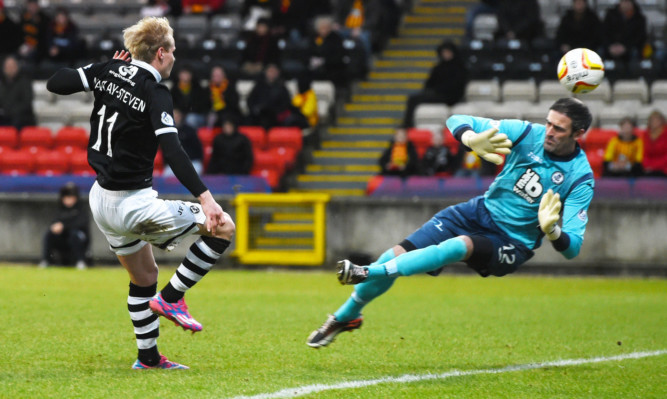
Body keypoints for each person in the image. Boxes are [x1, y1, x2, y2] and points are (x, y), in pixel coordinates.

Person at [307, 98, 595, 348]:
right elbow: (456, 119)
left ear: (579, 133)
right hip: (477, 212)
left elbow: (572, 248)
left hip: (512, 242)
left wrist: (552, 230)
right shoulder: (527, 133)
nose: (549, 132)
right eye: (548, 123)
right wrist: (470, 138)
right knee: (392, 256)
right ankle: (346, 317)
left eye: (558, 128)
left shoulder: (580, 177)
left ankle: (367, 271)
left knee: (460, 246)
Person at [46, 17, 235, 370]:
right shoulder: (155, 89)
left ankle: (148, 359)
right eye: (173, 51)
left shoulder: (108, 69)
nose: (176, 57)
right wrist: (205, 198)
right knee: (224, 228)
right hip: (133, 203)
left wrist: (107, 69)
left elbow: (56, 82)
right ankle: (173, 299)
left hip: (100, 199)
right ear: (160, 53)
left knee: (144, 276)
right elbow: (174, 150)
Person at [401, 40, 467, 128]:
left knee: (414, 99)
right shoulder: (438, 67)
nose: (446, 54)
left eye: (448, 52)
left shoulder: (460, 67)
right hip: (438, 94)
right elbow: (429, 84)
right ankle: (408, 124)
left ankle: (406, 125)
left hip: (451, 97)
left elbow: (458, 86)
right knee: (413, 99)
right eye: (444, 52)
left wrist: (438, 90)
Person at [39, 183, 90, 270]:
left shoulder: (81, 209)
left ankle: (80, 261)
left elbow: (82, 224)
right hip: (63, 239)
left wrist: (64, 226)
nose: (68, 200)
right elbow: (55, 223)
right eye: (66, 198)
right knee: (49, 234)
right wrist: (55, 227)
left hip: (78, 239)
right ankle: (46, 260)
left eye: (71, 197)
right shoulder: (60, 210)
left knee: (74, 234)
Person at [246, 63, 296, 129]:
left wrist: (277, 112)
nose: (272, 73)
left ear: (278, 73)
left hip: (275, 116)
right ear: (265, 72)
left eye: (274, 71)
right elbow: (250, 100)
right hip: (259, 115)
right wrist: (255, 110)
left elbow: (286, 103)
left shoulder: (281, 87)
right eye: (270, 71)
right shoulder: (259, 86)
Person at [308, 16, 347, 89]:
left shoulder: (336, 38)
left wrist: (324, 61)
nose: (324, 30)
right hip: (315, 67)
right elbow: (309, 51)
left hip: (332, 68)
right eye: (322, 28)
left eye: (326, 27)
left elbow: (339, 55)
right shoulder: (314, 37)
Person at [162, 109, 204, 176]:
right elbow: (165, 151)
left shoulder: (190, 131)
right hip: (174, 164)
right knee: (167, 174)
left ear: (180, 117)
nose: (175, 118)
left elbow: (198, 149)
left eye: (177, 116)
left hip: (191, 161)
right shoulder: (167, 132)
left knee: (195, 171)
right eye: (173, 116)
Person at [0, 55, 36, 130]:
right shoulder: (1, 83)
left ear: (17, 67)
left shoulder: (25, 82)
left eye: (12, 66)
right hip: (4, 116)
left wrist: (10, 112)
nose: (10, 69)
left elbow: (26, 102)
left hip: (22, 118)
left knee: (17, 120)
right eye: (7, 66)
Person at [170, 64, 210, 128]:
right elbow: (172, 105)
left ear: (191, 75)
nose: (185, 76)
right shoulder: (174, 89)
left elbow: (201, 107)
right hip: (180, 116)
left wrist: (185, 113)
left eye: (187, 73)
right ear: (178, 75)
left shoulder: (198, 89)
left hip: (196, 116)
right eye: (183, 73)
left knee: (190, 119)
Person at [642, 110, 667, 177]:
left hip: (664, 167)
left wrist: (654, 167)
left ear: (662, 121)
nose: (654, 122)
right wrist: (647, 166)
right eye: (652, 120)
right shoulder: (646, 134)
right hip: (649, 167)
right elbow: (645, 154)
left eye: (657, 120)